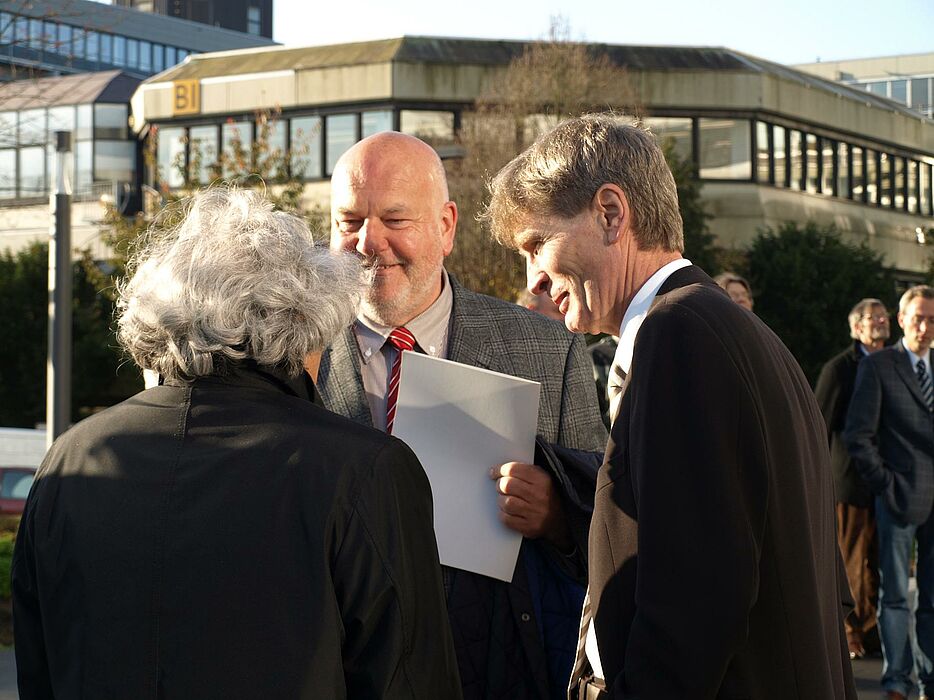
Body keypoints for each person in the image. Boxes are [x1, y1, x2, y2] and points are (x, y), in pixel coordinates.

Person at [12, 188, 461, 700]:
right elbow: (409, 681)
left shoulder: (70, 457)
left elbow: (39, 664)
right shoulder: (364, 470)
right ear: (305, 326)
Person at [483, 114, 856, 699]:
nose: (533, 279)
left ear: (611, 213)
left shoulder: (680, 334)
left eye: (537, 245)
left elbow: (695, 601)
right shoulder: (724, 330)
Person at [318, 131, 607, 700]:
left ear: (447, 226)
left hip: (497, 671)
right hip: (340, 671)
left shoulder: (549, 351)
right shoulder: (289, 356)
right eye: (348, 221)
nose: (367, 242)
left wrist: (556, 516)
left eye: (394, 220)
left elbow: (610, 517)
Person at [845, 285, 934, 700]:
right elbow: (858, 436)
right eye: (918, 317)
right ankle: (897, 680)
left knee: (932, 598)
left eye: (932, 319)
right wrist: (886, 484)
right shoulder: (880, 366)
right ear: (901, 319)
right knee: (895, 596)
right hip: (899, 498)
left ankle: (930, 677)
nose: (925, 326)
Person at [815, 298, 890, 660]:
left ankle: (871, 631)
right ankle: (848, 632)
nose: (881, 322)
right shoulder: (840, 368)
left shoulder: (895, 363)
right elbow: (819, 425)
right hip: (848, 479)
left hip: (887, 481)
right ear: (856, 327)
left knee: (875, 561)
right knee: (852, 561)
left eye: (883, 316)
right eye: (873, 318)